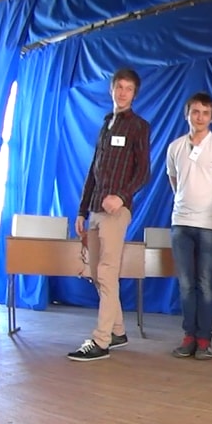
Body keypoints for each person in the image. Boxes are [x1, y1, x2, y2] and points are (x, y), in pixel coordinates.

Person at [68, 67, 150, 361]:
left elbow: (143, 172)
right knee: (96, 273)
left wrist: (122, 196)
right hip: (94, 210)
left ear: (134, 94)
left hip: (116, 211)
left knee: (106, 271)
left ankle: (100, 341)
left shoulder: (138, 126)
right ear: (112, 89)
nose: (123, 93)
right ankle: (117, 331)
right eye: (119, 87)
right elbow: (94, 170)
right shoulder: (106, 124)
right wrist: (82, 210)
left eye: (129, 89)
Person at [166, 91, 212, 360]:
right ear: (187, 114)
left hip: (209, 225)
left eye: (205, 113)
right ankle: (189, 336)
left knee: (205, 282)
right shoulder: (174, 147)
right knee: (186, 283)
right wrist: (184, 203)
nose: (200, 117)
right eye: (195, 112)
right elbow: (174, 181)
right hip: (181, 223)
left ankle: (205, 339)